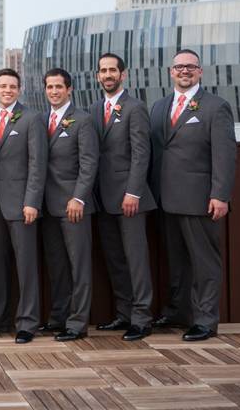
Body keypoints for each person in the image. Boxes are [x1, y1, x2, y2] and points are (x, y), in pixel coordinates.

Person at [150, 49, 236, 341]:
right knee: (177, 261)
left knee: (204, 262)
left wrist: (220, 194)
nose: (184, 71)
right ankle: (179, 312)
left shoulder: (216, 106)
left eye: (191, 67)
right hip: (165, 199)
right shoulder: (159, 107)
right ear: (171, 72)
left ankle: (205, 320)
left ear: (200, 72)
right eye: (179, 67)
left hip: (200, 200)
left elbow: (225, 155)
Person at [90, 53, 156, 341]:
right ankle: (124, 313)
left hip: (130, 198)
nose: (108, 75)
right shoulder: (93, 110)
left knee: (136, 259)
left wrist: (133, 192)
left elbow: (142, 154)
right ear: (97, 76)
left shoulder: (135, 108)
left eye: (112, 70)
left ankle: (142, 319)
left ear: (123, 75)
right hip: (103, 199)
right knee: (115, 259)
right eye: (103, 71)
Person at [0, 68, 47, 344]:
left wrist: (32, 201)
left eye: (12, 86)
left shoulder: (32, 119)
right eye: (2, 86)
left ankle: (27, 322)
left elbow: (37, 163)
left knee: (26, 265)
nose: (7, 90)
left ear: (19, 90)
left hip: (22, 204)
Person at [39, 68, 98, 341]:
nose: (54, 91)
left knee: (79, 266)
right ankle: (58, 317)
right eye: (49, 87)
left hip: (73, 205)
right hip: (48, 206)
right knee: (57, 265)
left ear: (69, 89)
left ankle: (77, 323)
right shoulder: (41, 119)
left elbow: (89, 163)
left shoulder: (82, 120)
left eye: (58, 87)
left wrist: (79, 197)